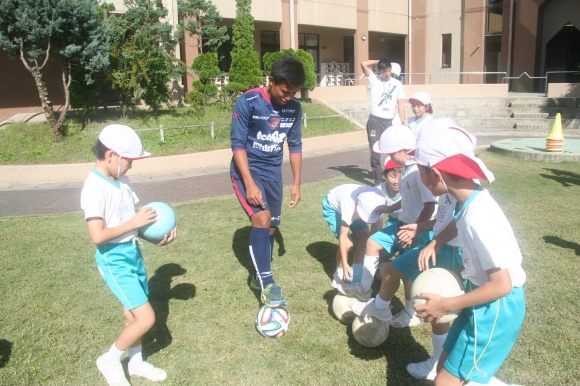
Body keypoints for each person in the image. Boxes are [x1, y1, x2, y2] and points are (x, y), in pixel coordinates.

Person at [353, 119, 469, 381]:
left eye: (429, 167)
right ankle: (383, 307)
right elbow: (443, 219)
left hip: (447, 251)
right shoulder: (443, 184)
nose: (426, 173)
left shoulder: (443, 183)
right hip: (436, 244)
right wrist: (424, 232)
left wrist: (428, 236)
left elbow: (456, 221)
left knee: (440, 311)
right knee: (393, 270)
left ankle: (438, 365)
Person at [412, 122, 526, 386]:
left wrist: (445, 304)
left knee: (445, 383)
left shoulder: (480, 217)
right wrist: (437, 242)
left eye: (420, 170)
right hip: (477, 299)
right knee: (444, 367)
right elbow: (457, 224)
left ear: (436, 173)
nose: (420, 178)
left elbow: (502, 285)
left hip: (496, 309)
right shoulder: (468, 202)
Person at [80, 124, 177, 386]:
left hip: (132, 253)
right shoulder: (93, 188)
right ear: (112, 155)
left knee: (132, 317)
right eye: (130, 161)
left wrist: (154, 238)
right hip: (114, 260)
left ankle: (135, 362)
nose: (132, 166)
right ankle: (110, 360)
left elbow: (131, 223)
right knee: (147, 318)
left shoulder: (121, 179)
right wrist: (135, 224)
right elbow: (97, 236)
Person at [230, 56, 306, 308]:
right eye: (285, 91)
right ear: (271, 81)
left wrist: (296, 182)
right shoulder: (248, 101)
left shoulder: (294, 108)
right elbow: (238, 144)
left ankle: (257, 275)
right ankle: (268, 285)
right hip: (247, 171)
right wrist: (249, 183)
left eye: (293, 92)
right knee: (261, 219)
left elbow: (294, 146)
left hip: (274, 173)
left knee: (271, 226)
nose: (288, 97)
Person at [337, 125, 437, 305]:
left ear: (402, 150)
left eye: (391, 154)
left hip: (418, 231)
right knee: (372, 242)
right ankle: (364, 290)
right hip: (402, 225)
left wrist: (416, 230)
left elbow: (430, 206)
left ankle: (410, 311)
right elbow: (407, 199)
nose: (390, 158)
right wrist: (388, 209)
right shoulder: (406, 170)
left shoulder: (418, 171)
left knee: (408, 273)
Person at [322, 185, 385, 289]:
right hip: (334, 208)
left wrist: (372, 250)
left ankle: (356, 272)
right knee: (347, 244)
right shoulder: (349, 204)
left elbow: (376, 228)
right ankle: (339, 274)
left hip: (358, 210)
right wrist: (345, 264)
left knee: (366, 240)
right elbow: (343, 237)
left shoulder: (379, 201)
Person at [361, 59, 406, 186]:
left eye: (389, 70)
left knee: (394, 150)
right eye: (384, 71)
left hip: (389, 122)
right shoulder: (374, 80)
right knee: (375, 152)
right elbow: (363, 64)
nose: (387, 73)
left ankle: (396, 176)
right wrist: (380, 60)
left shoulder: (397, 84)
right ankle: (378, 182)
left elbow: (401, 104)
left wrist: (403, 122)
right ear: (379, 71)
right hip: (375, 121)